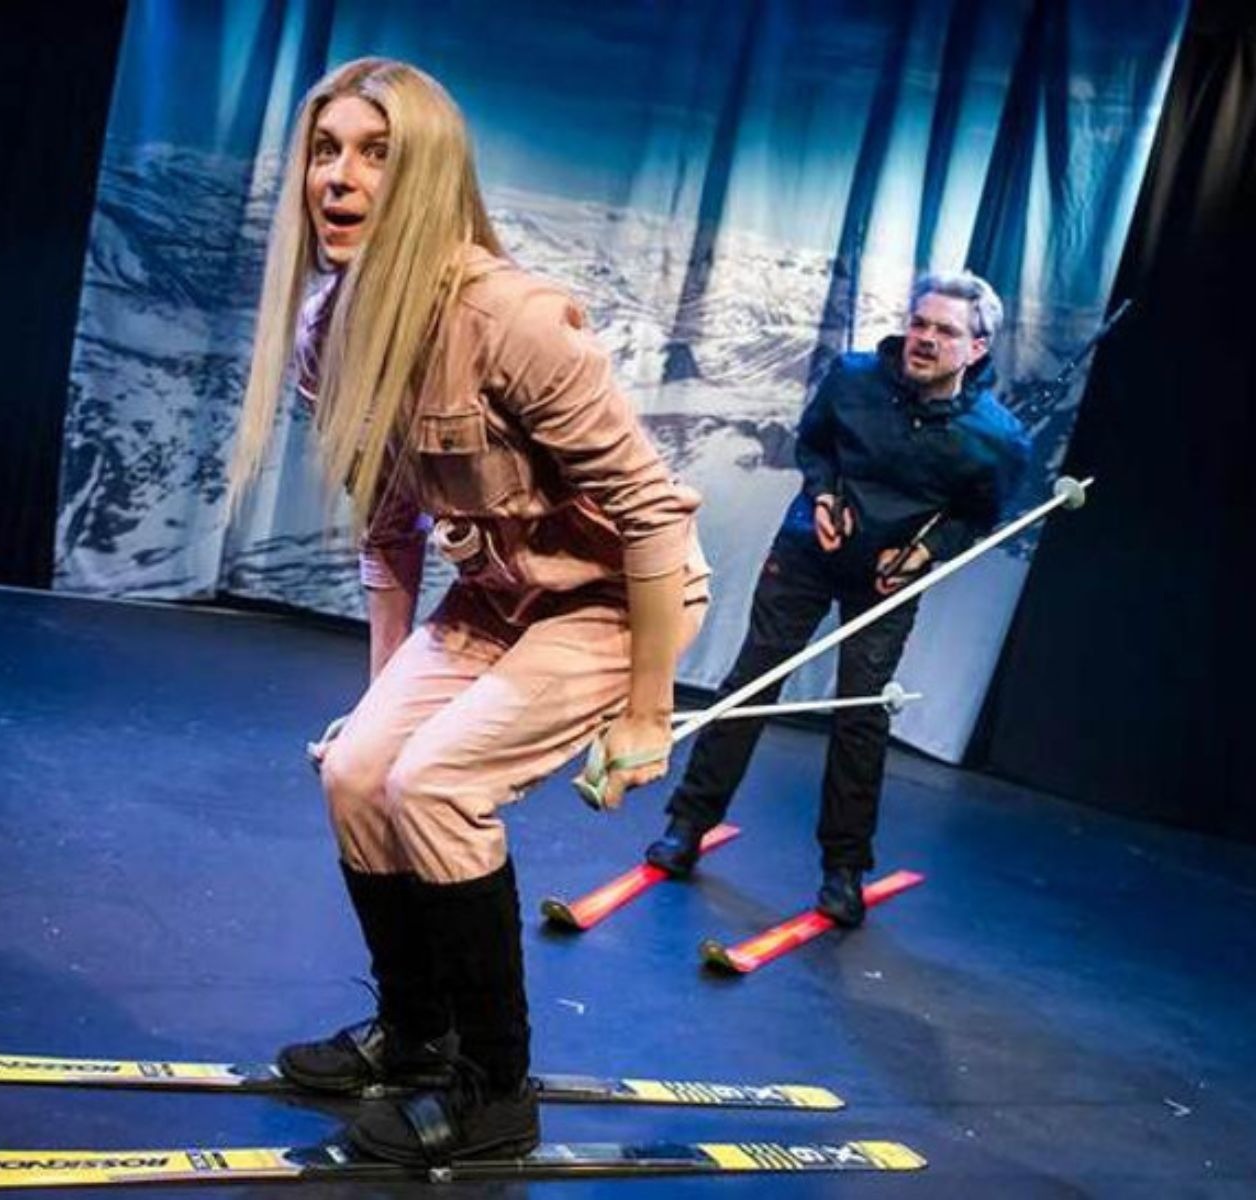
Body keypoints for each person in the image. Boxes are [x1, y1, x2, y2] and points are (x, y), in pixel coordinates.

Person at [229, 59, 709, 1166]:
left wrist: (646, 716)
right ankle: (413, 1035)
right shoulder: (330, 330)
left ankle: (494, 1087)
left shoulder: (511, 320)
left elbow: (651, 514)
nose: (338, 179)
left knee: (436, 784)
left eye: (376, 153)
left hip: (612, 603)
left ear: (431, 176)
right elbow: (389, 523)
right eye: (325, 149)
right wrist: (376, 700)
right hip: (495, 596)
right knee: (360, 772)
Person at [645, 271, 1031, 926]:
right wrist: (822, 494)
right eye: (920, 323)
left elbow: (977, 517)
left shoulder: (997, 439)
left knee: (861, 712)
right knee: (752, 681)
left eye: (945, 331)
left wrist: (927, 553)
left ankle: (844, 868)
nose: (925, 339)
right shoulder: (853, 377)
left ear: (978, 349)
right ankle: (688, 824)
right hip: (809, 548)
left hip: (887, 579)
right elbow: (815, 443)